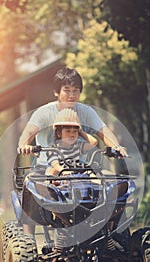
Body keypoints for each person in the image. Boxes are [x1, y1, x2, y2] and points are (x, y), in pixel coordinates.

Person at [18, 67, 127, 234]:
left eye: (76, 91)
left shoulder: (85, 111)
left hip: (79, 167)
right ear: (56, 92)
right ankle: (27, 239)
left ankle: (113, 233)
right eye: (66, 90)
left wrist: (116, 146)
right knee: (31, 184)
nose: (71, 95)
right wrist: (24, 145)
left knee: (112, 185)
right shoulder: (45, 112)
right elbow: (28, 132)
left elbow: (103, 132)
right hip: (47, 167)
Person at [45, 108, 97, 177]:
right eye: (68, 131)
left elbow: (93, 142)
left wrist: (80, 131)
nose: (72, 135)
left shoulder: (78, 145)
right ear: (59, 133)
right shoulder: (52, 148)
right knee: (51, 175)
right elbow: (55, 165)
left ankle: (100, 186)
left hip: (73, 175)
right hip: (58, 175)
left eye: (74, 131)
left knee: (91, 174)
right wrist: (64, 171)